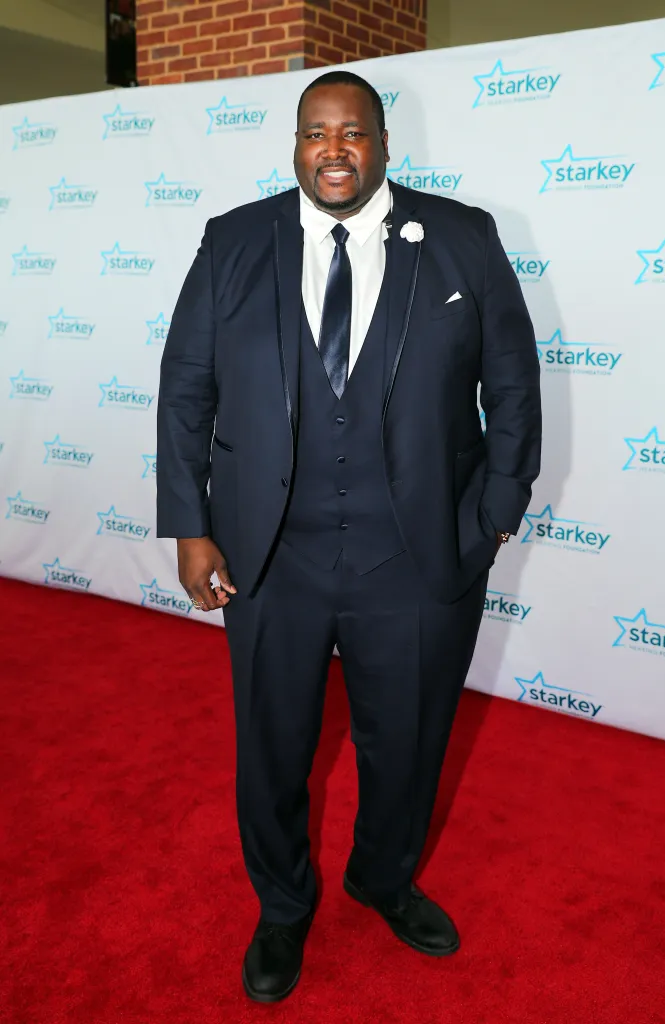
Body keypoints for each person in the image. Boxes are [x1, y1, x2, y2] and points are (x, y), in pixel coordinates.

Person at [157, 70, 541, 1003]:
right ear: (296, 145)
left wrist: (493, 513)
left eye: (353, 132)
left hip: (416, 557)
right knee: (275, 744)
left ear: (381, 142)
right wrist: (191, 526)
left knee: (406, 742)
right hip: (267, 556)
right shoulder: (233, 242)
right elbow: (184, 393)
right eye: (316, 133)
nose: (334, 149)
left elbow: (516, 384)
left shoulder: (461, 238)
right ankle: (283, 907)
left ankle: (383, 875)